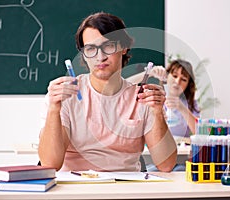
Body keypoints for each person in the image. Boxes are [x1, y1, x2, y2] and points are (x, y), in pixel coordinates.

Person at [38, 12, 177, 172]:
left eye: (108, 46)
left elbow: (166, 164)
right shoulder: (66, 95)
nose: (100, 56)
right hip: (76, 191)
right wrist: (54, 109)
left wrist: (158, 112)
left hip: (125, 191)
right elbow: (50, 164)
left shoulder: (142, 97)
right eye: (90, 49)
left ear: (124, 47)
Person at [127, 59, 199, 171]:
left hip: (180, 161)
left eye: (183, 79)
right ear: (167, 77)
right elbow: (125, 86)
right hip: (153, 159)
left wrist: (182, 108)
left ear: (188, 85)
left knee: (179, 172)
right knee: (152, 172)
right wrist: (149, 73)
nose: (177, 82)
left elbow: (199, 133)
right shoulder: (152, 98)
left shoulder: (190, 104)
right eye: (174, 76)